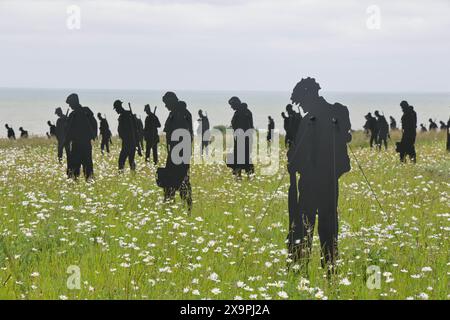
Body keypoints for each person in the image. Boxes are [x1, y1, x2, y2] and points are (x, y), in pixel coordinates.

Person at [287, 77, 352, 272]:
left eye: (302, 102)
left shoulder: (335, 111)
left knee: (324, 227)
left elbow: (343, 136)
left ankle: (326, 268)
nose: (302, 107)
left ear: (310, 96)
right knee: (310, 227)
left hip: (321, 181)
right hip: (315, 181)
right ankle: (306, 266)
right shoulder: (313, 118)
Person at [161, 92, 193, 211]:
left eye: (166, 103)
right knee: (176, 179)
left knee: (180, 180)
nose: (166, 106)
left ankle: (181, 206)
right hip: (176, 153)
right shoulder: (178, 113)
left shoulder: (180, 114)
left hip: (178, 153)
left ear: (172, 101)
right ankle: (171, 204)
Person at [65, 93, 97, 181]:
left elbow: (69, 132)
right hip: (86, 144)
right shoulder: (86, 112)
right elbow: (94, 125)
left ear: (74, 102)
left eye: (70, 103)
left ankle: (75, 186)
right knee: (88, 168)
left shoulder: (74, 115)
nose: (70, 106)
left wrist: (66, 142)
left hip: (77, 145)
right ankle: (89, 184)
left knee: (75, 169)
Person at [229, 97, 254, 178]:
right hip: (244, 139)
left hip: (242, 139)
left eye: (232, 105)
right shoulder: (246, 112)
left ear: (236, 103)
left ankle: (239, 176)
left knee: (241, 158)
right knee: (244, 158)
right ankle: (247, 175)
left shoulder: (241, 113)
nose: (231, 107)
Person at [114, 100, 139, 171]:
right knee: (130, 160)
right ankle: (133, 175)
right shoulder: (126, 115)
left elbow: (132, 129)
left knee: (121, 161)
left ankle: (123, 175)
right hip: (128, 142)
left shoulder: (126, 115)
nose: (116, 110)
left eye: (116, 108)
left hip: (128, 142)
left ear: (119, 107)